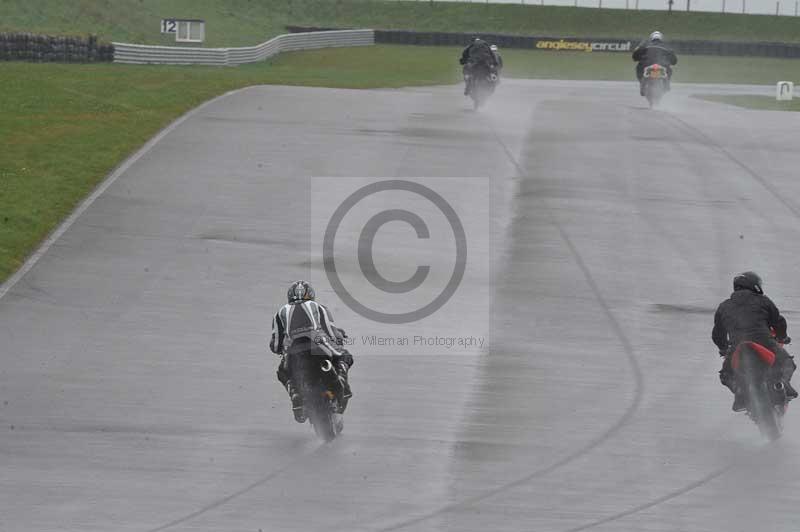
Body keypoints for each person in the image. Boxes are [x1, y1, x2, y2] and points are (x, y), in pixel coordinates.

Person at [270, 280, 354, 422]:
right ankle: (341, 381)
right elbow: (330, 331)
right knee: (345, 356)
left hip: (293, 352)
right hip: (318, 346)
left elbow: (276, 344)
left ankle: (295, 394)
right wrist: (338, 338)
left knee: (282, 372)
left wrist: (280, 349)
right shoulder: (318, 307)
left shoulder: (279, 313)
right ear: (311, 295)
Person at [712, 271, 797, 412]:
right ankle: (781, 385)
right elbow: (778, 322)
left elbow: (717, 334)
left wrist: (723, 348)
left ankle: (740, 392)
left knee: (726, 375)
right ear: (754, 285)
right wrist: (782, 337)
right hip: (766, 343)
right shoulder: (763, 300)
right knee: (787, 362)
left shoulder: (723, 306)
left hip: (737, 347)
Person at [632, 31, 677, 96]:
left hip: (646, 64)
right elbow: (674, 61)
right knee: (669, 69)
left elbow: (635, 56)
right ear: (661, 38)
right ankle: (666, 85)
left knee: (638, 68)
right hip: (662, 65)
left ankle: (642, 84)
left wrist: (638, 57)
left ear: (651, 38)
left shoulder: (645, 45)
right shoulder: (667, 46)